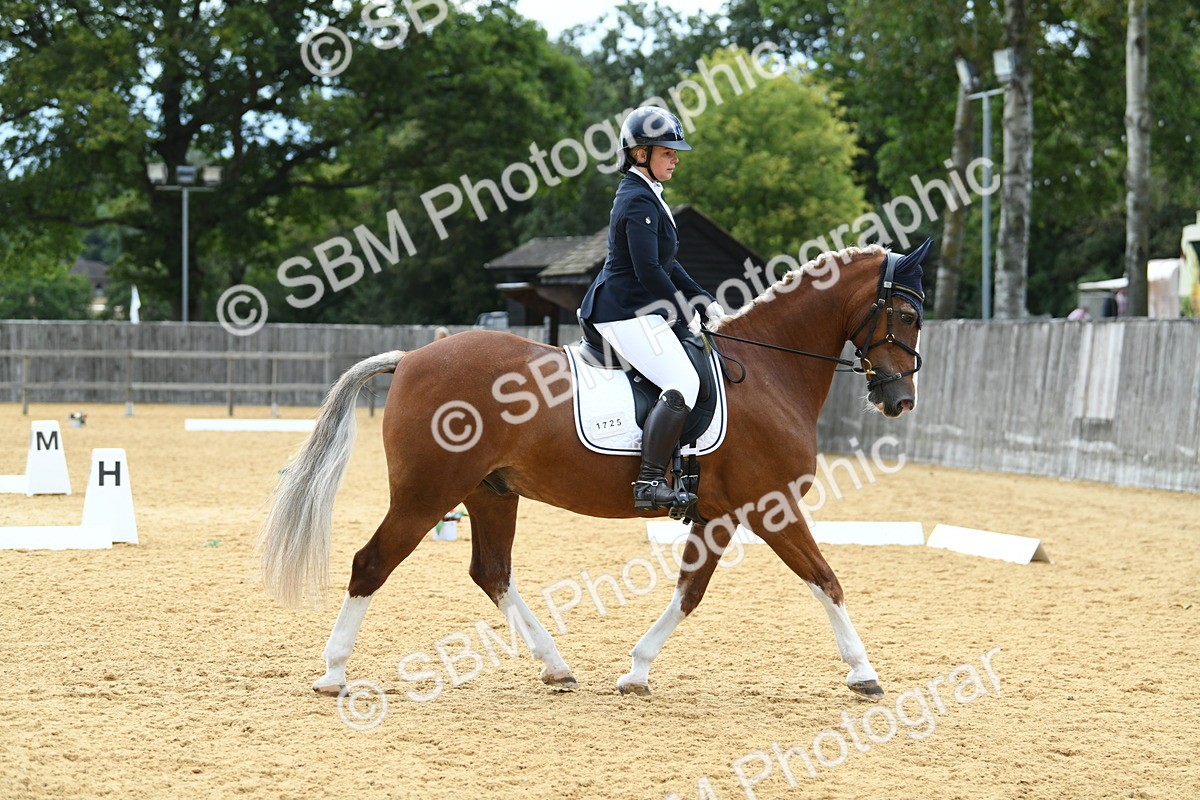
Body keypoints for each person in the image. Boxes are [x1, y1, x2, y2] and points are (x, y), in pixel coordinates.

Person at [579, 106, 724, 511]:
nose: (676, 158)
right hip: (621, 310)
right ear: (640, 154)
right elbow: (647, 270)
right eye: (668, 152)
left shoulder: (648, 195)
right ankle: (647, 483)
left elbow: (669, 263)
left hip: (636, 309)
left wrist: (703, 299)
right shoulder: (637, 200)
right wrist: (683, 308)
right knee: (684, 383)